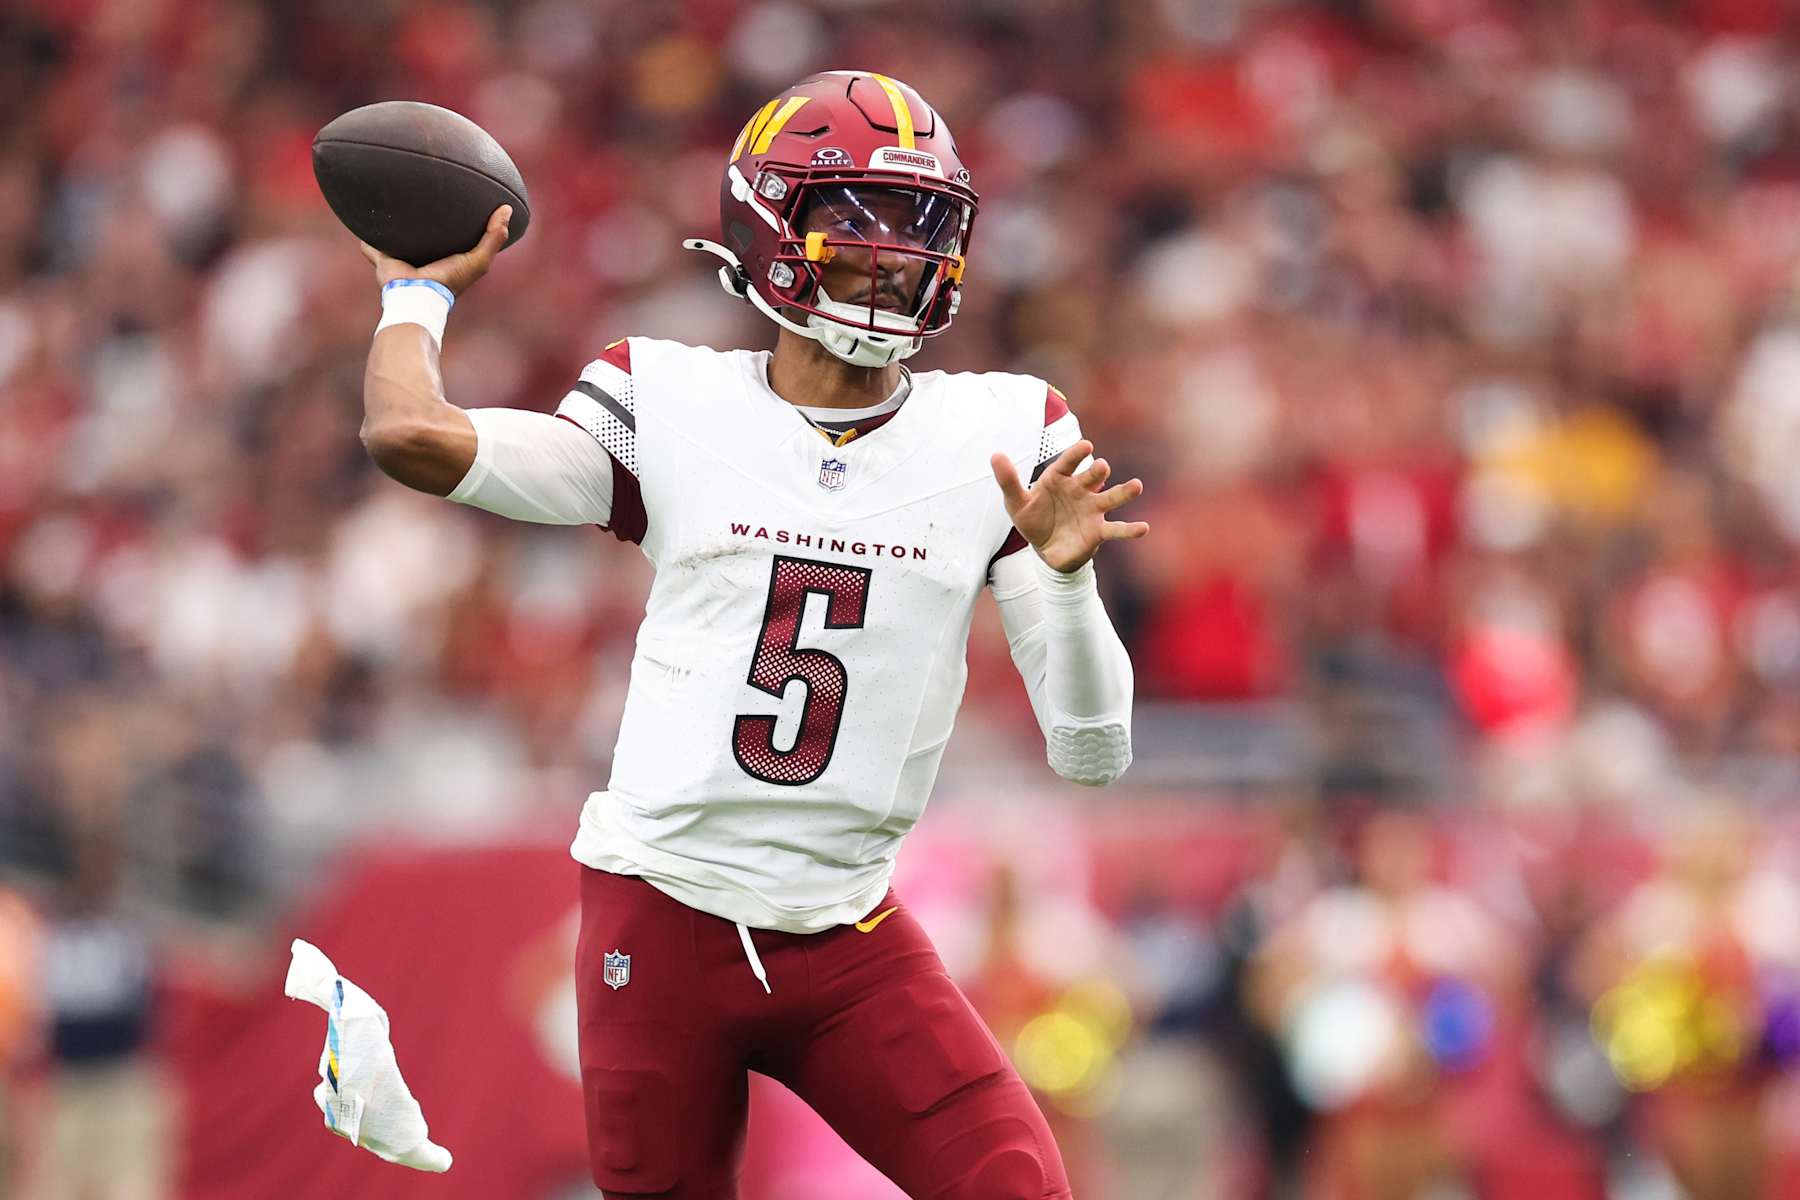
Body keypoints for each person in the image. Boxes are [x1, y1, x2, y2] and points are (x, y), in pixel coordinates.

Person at [353, 71, 1144, 1198]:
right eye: (857, 217)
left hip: (848, 928)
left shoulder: (1007, 431)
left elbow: (1093, 754)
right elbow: (409, 434)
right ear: (771, 225)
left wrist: (1066, 583)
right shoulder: (669, 402)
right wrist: (412, 297)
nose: (894, 251)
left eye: (920, 224)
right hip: (663, 919)